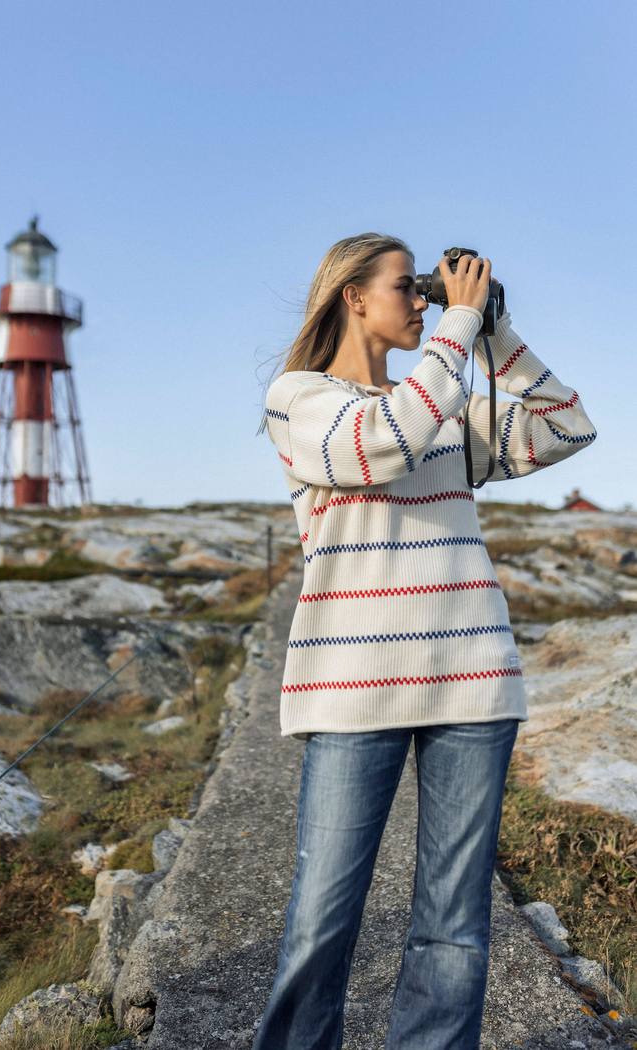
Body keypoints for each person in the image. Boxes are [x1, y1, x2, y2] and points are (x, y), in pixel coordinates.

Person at [253, 233, 598, 1049]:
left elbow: (567, 427)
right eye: (408, 286)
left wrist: (495, 330)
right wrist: (460, 324)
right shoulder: (300, 399)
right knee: (321, 923)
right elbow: (382, 443)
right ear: (351, 296)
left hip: (473, 681)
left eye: (427, 291)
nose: (422, 301)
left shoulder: (443, 409)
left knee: (454, 929)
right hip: (351, 688)